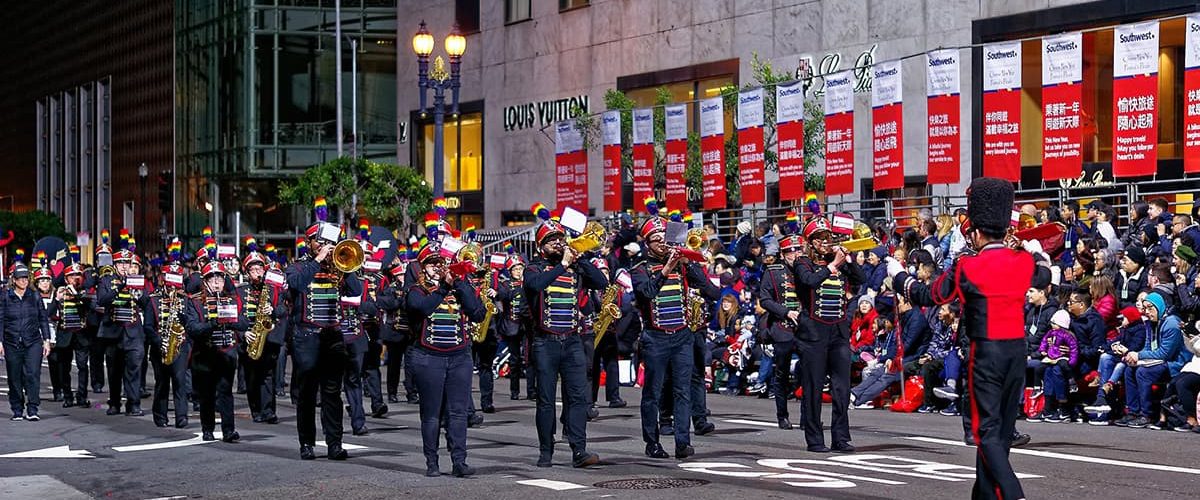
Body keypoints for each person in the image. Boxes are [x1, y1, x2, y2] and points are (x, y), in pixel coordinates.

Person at [890, 177, 1050, 500]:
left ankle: (1014, 494)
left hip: (986, 353)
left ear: (976, 232)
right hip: (1017, 353)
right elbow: (1045, 275)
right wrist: (1037, 251)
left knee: (987, 434)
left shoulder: (967, 265)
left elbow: (930, 294)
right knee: (1002, 432)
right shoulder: (1022, 261)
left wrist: (899, 278)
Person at [631, 214, 721, 460]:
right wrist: (667, 269)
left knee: (683, 390)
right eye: (656, 240)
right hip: (655, 338)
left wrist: (688, 259)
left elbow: (711, 290)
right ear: (647, 243)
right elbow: (646, 294)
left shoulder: (682, 264)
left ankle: (683, 442)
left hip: (682, 336)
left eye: (665, 238)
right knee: (653, 392)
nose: (662, 243)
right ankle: (653, 443)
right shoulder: (639, 269)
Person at [523, 215, 608, 468]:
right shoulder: (534, 268)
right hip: (545, 342)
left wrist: (580, 257)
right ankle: (545, 451)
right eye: (551, 240)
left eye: (560, 238)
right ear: (541, 246)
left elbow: (601, 282)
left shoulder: (575, 265)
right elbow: (536, 285)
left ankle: (579, 450)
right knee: (546, 399)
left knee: (578, 397)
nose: (557, 243)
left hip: (572, 340)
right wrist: (562, 264)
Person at [405, 242, 485, 477]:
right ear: (423, 268)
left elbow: (478, 313)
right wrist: (443, 288)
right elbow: (422, 309)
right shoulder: (415, 290)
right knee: (431, 414)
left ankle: (459, 461)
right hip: (428, 357)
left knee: (459, 412)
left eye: (441, 263)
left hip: (459, 356)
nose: (437, 267)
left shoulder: (458, 287)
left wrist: (460, 284)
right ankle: (432, 462)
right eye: (432, 264)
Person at [285, 218, 363, 461]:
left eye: (330, 243)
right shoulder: (298, 267)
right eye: (321, 242)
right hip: (306, 337)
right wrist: (318, 260)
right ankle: (307, 443)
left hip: (333, 336)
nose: (326, 247)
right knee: (307, 393)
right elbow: (296, 284)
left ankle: (334, 444)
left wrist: (344, 265)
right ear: (309, 243)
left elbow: (356, 291)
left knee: (332, 392)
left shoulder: (338, 267)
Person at [793, 212, 866, 453]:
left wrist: (849, 259)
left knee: (841, 387)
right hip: (813, 332)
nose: (826, 242)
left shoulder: (839, 261)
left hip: (837, 331)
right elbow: (810, 281)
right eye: (821, 238)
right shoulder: (802, 262)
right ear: (811, 241)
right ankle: (814, 439)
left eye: (829, 237)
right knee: (813, 387)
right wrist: (833, 265)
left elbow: (860, 278)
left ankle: (841, 437)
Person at [183, 261, 250, 442]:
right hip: (204, 353)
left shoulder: (232, 299)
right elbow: (193, 328)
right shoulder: (195, 302)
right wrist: (212, 324)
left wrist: (230, 321)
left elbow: (245, 323)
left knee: (226, 391)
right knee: (206, 393)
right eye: (212, 279)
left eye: (219, 278)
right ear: (205, 281)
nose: (216, 282)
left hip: (227, 351)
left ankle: (229, 430)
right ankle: (207, 428)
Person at [96, 248, 153, 417]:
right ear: (114, 264)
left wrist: (139, 294)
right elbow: (102, 300)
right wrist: (119, 288)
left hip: (133, 332)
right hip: (113, 331)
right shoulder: (106, 280)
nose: (123, 267)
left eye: (126, 263)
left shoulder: (138, 281)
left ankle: (133, 404)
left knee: (134, 369)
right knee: (114, 371)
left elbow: (147, 304)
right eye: (120, 263)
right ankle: (114, 402)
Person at [1118, 292, 1187, 429]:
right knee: (1129, 369)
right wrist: (1134, 356)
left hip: (1174, 364)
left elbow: (1165, 353)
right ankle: (1133, 412)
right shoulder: (1150, 323)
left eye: (1150, 308)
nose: (1147, 312)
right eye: (1145, 309)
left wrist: (1140, 356)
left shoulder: (1172, 323)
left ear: (1159, 307)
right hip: (1157, 361)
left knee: (1143, 372)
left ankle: (1147, 415)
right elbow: (1148, 346)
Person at [758, 232, 804, 429]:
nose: (795, 255)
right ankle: (782, 415)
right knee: (782, 374)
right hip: (782, 328)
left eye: (798, 250)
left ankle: (807, 416)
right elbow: (765, 299)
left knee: (809, 373)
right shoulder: (773, 270)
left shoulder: (808, 268)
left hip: (805, 330)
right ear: (783, 254)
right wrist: (785, 312)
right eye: (790, 252)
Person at [239, 250, 287, 424]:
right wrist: (244, 333)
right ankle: (256, 410)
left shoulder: (272, 290)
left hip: (268, 338)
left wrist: (273, 311)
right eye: (253, 270)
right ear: (247, 273)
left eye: (260, 268)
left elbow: (283, 309)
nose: (257, 272)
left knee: (268, 375)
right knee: (252, 377)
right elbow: (236, 317)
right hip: (250, 337)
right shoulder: (241, 291)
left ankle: (268, 411)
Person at [2, 263, 52, 421]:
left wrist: (47, 340)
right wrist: (0, 342)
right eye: (20, 278)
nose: (23, 281)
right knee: (14, 376)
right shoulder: (5, 296)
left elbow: (43, 319)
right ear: (14, 280)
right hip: (12, 341)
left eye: (25, 278)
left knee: (32, 374)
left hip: (33, 341)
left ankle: (32, 409)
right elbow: (1, 320)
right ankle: (17, 409)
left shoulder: (34, 295)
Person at [145, 261, 192, 429]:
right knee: (162, 383)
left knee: (180, 381)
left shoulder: (186, 300)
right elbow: (148, 327)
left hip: (180, 346)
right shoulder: (154, 300)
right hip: (160, 347)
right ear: (163, 279)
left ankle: (181, 417)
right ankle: (160, 415)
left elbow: (191, 323)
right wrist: (159, 342)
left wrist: (182, 317)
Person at [50, 263, 94, 408]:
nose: (75, 278)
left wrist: (77, 293)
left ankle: (82, 396)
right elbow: (49, 312)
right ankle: (67, 396)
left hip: (81, 334)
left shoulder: (85, 292)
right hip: (65, 335)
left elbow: (89, 306)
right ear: (66, 278)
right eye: (72, 276)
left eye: (78, 275)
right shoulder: (60, 292)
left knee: (82, 366)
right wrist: (57, 299)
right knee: (64, 367)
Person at [1035, 310, 1079, 423]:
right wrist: (1042, 350)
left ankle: (1063, 408)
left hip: (1062, 358)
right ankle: (1048, 408)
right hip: (1051, 357)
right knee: (1046, 370)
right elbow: (1044, 341)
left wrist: (1072, 361)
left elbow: (1074, 349)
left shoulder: (1068, 335)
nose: (1051, 325)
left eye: (1054, 323)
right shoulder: (1051, 333)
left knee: (1058, 370)